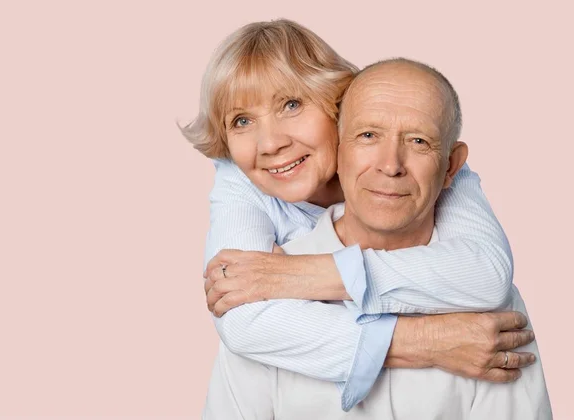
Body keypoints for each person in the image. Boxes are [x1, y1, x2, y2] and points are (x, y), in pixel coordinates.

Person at [180, 19, 535, 411]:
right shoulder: (239, 182)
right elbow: (241, 321)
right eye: (241, 121)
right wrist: (428, 341)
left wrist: (310, 274)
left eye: (292, 104)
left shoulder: (432, 167)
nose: (270, 143)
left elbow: (488, 277)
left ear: (338, 104)